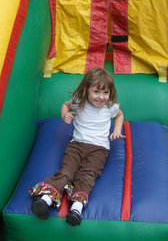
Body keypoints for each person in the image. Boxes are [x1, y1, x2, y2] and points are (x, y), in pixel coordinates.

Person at [29, 67, 125, 226]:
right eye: (96, 92)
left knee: (87, 174)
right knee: (66, 172)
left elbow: (120, 115)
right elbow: (66, 105)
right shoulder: (79, 101)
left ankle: (76, 209)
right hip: (76, 146)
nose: (101, 97)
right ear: (86, 89)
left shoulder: (110, 106)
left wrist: (116, 130)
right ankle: (45, 200)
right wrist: (64, 114)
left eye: (106, 92)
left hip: (99, 149)